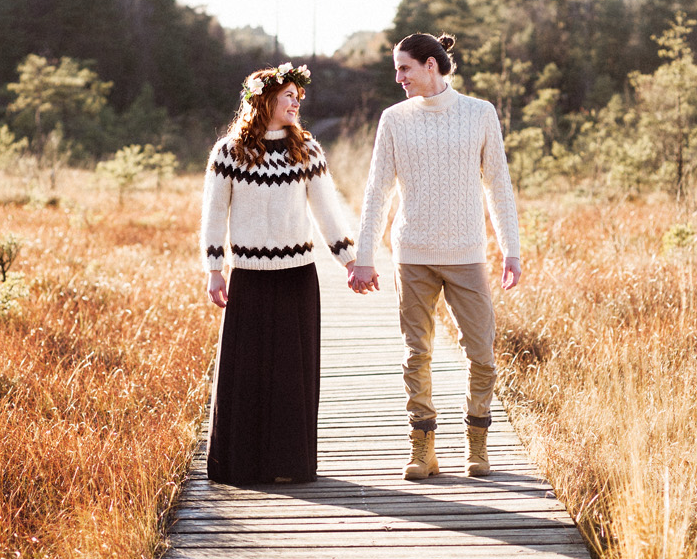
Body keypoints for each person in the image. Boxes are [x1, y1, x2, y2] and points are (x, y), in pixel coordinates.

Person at [347, 33, 522, 480]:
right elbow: (377, 192)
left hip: (466, 253)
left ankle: (477, 444)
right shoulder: (394, 119)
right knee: (416, 352)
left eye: (404, 68)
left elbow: (498, 185)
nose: (398, 77)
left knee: (481, 352)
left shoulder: (480, 113)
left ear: (431, 65)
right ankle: (423, 449)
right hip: (413, 253)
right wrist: (363, 255)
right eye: (396, 69)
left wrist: (511, 250)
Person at [200, 62, 357, 484]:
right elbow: (215, 213)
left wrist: (350, 260)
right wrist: (215, 270)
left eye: (297, 96)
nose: (296, 102)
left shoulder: (306, 149)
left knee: (292, 372)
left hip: (297, 274)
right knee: (246, 370)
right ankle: (243, 463)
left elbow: (328, 209)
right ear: (264, 99)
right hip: (248, 275)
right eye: (289, 95)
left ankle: (289, 463)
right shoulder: (229, 152)